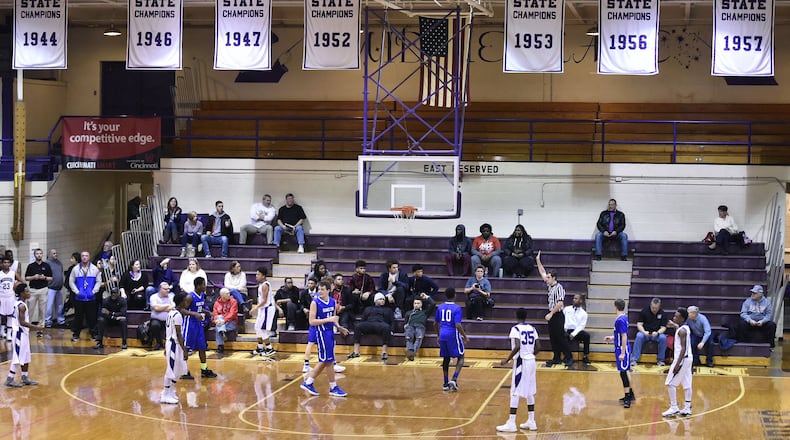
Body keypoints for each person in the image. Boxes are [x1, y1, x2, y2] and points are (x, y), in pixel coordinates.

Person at [300, 280, 350, 397]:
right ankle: (332, 387)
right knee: (327, 361)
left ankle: (310, 382)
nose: (320, 291)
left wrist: (339, 327)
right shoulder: (315, 302)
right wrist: (328, 320)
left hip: (330, 333)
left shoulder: (333, 302)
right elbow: (311, 321)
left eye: (322, 289)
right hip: (321, 333)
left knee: (327, 361)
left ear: (328, 290)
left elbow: (333, 318)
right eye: (319, 289)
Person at [497, 308, 539, 433]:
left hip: (522, 362)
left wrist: (507, 359)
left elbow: (518, 346)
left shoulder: (515, 329)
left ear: (516, 316)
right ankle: (532, 422)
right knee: (530, 391)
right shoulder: (532, 328)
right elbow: (539, 347)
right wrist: (530, 354)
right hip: (532, 361)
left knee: (514, 391)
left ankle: (511, 423)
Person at [536, 251, 573, 367]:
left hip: (557, 315)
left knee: (561, 337)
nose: (546, 279)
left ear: (554, 278)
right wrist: (538, 260)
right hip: (552, 315)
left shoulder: (559, 288)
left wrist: (551, 314)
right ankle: (556, 357)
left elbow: (560, 303)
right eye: (547, 277)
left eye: (548, 277)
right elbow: (542, 272)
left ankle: (569, 357)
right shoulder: (550, 285)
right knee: (553, 338)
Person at [5, 284, 45, 388]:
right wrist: (37, 327)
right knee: (17, 357)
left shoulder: (20, 303)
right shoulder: (21, 306)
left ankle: (25, 377)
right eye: (27, 291)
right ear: (22, 293)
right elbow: (22, 322)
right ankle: (10, 379)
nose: (29, 293)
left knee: (26, 356)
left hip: (24, 333)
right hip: (19, 333)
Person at [179, 276, 218, 379]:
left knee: (202, 347)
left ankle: (204, 369)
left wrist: (208, 312)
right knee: (186, 348)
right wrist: (195, 314)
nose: (206, 286)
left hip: (198, 325)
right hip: (190, 324)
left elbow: (199, 307)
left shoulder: (201, 295)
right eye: (204, 284)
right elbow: (181, 309)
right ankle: (183, 371)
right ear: (199, 285)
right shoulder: (190, 297)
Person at [662, 308, 693, 417]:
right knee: (687, 383)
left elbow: (683, 348)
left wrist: (677, 365)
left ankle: (674, 407)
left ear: (682, 318)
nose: (674, 318)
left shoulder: (681, 331)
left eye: (676, 316)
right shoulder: (685, 328)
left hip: (682, 359)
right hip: (689, 358)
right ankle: (687, 407)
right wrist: (675, 325)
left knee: (670, 383)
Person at [604, 299, 635, 409]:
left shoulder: (620, 320)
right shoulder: (623, 317)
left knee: (623, 373)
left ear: (615, 307)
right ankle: (631, 394)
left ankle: (627, 398)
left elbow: (624, 336)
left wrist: (622, 353)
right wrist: (612, 338)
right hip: (622, 347)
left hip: (622, 349)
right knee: (625, 371)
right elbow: (619, 334)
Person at [436, 288, 468, 391]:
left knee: (446, 358)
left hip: (442, 334)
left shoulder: (440, 307)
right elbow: (458, 325)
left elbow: (435, 323)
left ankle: (445, 383)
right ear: (454, 295)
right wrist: (465, 336)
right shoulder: (457, 308)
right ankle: (454, 379)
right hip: (452, 334)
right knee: (461, 356)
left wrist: (438, 335)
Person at [160, 292, 188, 404]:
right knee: (170, 370)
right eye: (185, 301)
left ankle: (170, 390)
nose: (187, 302)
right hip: (174, 344)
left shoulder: (171, 312)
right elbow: (178, 334)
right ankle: (165, 394)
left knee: (179, 369)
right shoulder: (177, 315)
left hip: (171, 343)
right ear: (181, 302)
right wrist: (184, 349)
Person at [347, 292, 394, 361]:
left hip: (380, 324)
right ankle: (356, 351)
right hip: (369, 323)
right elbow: (363, 319)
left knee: (387, 327)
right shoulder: (368, 308)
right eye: (380, 299)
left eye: (383, 299)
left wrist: (392, 330)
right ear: (375, 300)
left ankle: (384, 352)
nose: (382, 301)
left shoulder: (388, 309)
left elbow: (391, 321)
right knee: (358, 326)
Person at [69, 251, 101, 343]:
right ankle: (76, 335)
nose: (84, 257)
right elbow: (71, 281)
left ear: (89, 257)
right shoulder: (75, 269)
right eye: (83, 256)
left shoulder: (95, 269)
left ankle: (94, 334)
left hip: (91, 298)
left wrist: (94, 291)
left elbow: (99, 281)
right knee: (78, 317)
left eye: (86, 256)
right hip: (79, 298)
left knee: (91, 317)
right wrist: (77, 292)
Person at [735, 285, 776, 349]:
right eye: (752, 293)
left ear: (761, 294)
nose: (752, 294)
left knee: (772, 325)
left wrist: (763, 321)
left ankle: (770, 346)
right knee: (741, 324)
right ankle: (742, 344)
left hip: (762, 323)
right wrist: (749, 320)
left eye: (755, 293)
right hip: (750, 322)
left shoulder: (767, 303)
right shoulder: (748, 301)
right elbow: (743, 313)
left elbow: (769, 315)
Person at [631, 297, 668, 366]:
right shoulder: (644, 311)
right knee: (639, 336)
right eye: (653, 307)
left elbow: (663, 327)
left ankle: (661, 360)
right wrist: (644, 331)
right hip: (645, 334)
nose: (654, 309)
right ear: (651, 305)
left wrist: (658, 333)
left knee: (663, 338)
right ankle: (634, 359)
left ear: (659, 307)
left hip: (656, 334)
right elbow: (639, 324)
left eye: (656, 308)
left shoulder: (663, 313)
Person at [24, 248, 52, 336]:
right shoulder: (31, 266)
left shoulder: (46, 266)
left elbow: (51, 278)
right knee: (30, 310)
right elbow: (26, 278)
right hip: (33, 290)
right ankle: (27, 328)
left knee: (42, 310)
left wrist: (44, 278)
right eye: (37, 253)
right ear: (34, 255)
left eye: (40, 253)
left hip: (43, 289)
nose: (39, 255)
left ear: (42, 255)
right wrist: (34, 277)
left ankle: (40, 329)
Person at [250, 266, 277, 357]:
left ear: (263, 276)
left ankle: (270, 348)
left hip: (267, 309)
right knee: (257, 327)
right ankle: (260, 347)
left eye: (258, 274)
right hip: (263, 308)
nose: (256, 276)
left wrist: (254, 308)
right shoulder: (261, 284)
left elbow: (264, 301)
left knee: (262, 329)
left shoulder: (265, 285)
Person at [404, 293, 436, 361]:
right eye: (415, 303)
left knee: (419, 338)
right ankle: (411, 353)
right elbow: (405, 322)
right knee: (409, 338)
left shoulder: (425, 312)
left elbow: (433, 304)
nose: (416, 305)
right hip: (410, 326)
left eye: (418, 303)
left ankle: (412, 354)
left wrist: (427, 297)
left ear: (421, 304)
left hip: (420, 326)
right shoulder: (409, 313)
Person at [563, 293, 591, 365]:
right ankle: (569, 357)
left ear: (581, 301)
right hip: (567, 329)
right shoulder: (566, 309)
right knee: (564, 336)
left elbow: (581, 326)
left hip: (576, 331)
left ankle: (585, 356)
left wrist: (573, 334)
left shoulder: (584, 313)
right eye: (574, 298)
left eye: (576, 299)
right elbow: (562, 320)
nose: (574, 300)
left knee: (587, 336)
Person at [149, 282, 175, 350]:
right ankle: (159, 343)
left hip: (169, 319)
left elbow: (173, 307)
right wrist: (167, 306)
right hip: (157, 319)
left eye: (168, 289)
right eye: (165, 289)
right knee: (154, 325)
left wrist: (160, 308)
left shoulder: (172, 296)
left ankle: (170, 343)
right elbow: (156, 308)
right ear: (160, 289)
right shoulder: (153, 297)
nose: (168, 290)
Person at [45, 249, 67, 328]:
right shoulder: (47, 263)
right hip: (51, 287)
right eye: (54, 253)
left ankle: (60, 320)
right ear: (50, 254)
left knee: (60, 306)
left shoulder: (59, 263)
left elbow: (60, 273)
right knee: (49, 306)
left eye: (56, 253)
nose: (55, 254)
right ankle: (48, 321)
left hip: (59, 287)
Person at [212, 288, 238, 354]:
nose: (229, 294)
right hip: (221, 322)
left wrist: (224, 321)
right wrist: (216, 321)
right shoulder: (216, 303)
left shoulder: (233, 301)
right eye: (227, 293)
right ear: (222, 295)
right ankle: (222, 331)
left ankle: (220, 346)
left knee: (218, 327)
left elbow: (232, 314)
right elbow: (215, 314)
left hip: (231, 322)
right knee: (219, 317)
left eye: (229, 293)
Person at [1, 257, 18, 341]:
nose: (6, 264)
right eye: (4, 262)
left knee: (10, 315)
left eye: (8, 262)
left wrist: (16, 285)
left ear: (10, 264)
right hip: (1, 296)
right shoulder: (0, 274)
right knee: (2, 315)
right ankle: (2, 331)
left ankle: (8, 334)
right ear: (2, 264)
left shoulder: (13, 273)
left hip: (11, 296)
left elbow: (21, 281)